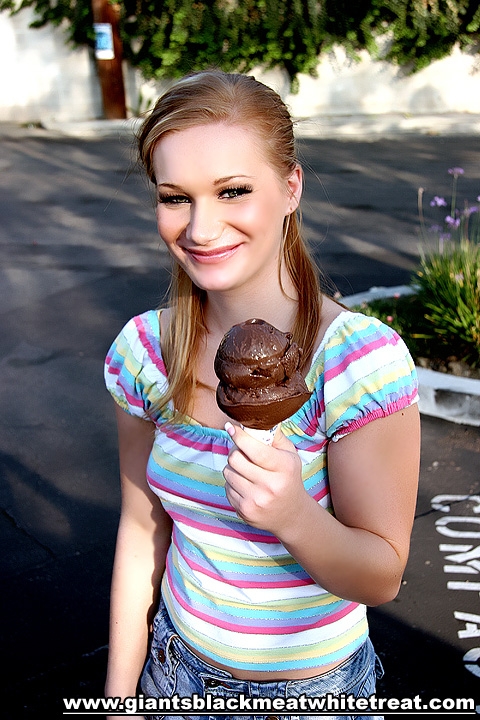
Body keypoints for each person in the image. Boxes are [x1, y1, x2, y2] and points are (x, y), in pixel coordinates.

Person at [104, 70, 421, 720]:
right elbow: (140, 530)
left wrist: (293, 516)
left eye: (233, 191)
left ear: (290, 187)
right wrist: (116, 700)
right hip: (173, 674)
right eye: (175, 197)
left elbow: (381, 576)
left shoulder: (357, 362)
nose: (201, 228)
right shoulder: (144, 352)